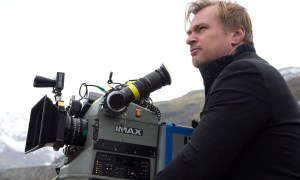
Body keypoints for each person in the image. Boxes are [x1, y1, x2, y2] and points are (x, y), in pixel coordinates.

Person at [154, 0, 300, 179]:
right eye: (189, 32)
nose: (189, 39)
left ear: (237, 35)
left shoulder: (246, 75)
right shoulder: (244, 73)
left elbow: (196, 167)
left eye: (201, 29)